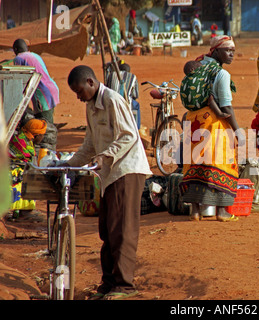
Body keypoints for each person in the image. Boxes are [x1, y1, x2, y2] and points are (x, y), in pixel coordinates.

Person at [66, 65, 152, 300]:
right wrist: (69, 164)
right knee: (107, 229)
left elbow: (129, 135)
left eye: (79, 90)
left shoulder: (113, 100)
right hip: (109, 175)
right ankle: (108, 283)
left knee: (122, 230)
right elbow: (89, 145)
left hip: (126, 170)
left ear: (91, 82)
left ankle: (125, 286)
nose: (78, 96)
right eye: (75, 92)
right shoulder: (91, 108)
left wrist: (106, 156)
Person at [181, 35, 241, 222]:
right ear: (215, 51)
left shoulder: (198, 66)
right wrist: (238, 131)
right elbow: (226, 106)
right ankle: (222, 212)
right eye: (227, 50)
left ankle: (196, 211)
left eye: (233, 51)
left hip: (194, 122)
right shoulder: (221, 74)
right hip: (214, 124)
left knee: (196, 164)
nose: (232, 54)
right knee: (222, 164)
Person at [13, 39, 60, 125]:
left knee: (44, 126)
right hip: (51, 88)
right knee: (47, 120)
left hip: (42, 93)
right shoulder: (35, 55)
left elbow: (19, 80)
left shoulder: (18, 58)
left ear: (15, 50)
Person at [8, 119, 47, 215]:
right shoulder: (22, 142)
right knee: (34, 178)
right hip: (11, 170)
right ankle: (25, 212)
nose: (42, 137)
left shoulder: (24, 137)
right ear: (37, 135)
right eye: (42, 135)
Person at [105, 63, 141, 129]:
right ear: (128, 71)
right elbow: (135, 95)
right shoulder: (132, 76)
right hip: (125, 102)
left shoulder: (111, 75)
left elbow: (107, 89)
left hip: (110, 101)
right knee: (136, 105)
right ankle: (136, 127)